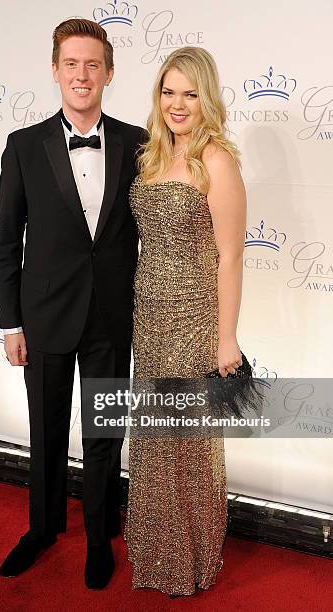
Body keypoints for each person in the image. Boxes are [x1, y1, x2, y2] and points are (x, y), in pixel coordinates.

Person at [0, 18, 145, 589]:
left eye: (93, 65)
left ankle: (100, 535)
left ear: (109, 72)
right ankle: (43, 528)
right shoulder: (23, 146)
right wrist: (10, 323)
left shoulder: (138, 143)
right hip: (45, 315)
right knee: (47, 429)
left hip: (110, 316)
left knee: (104, 430)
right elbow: (7, 242)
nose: (82, 75)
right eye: (71, 64)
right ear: (55, 70)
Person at [124, 46, 246, 596]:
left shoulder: (216, 159)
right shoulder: (150, 156)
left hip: (193, 320)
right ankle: (155, 554)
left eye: (190, 93)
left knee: (188, 441)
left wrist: (227, 338)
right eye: (169, 92)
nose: (178, 104)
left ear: (207, 98)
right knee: (153, 435)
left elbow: (231, 255)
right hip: (148, 316)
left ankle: (191, 560)